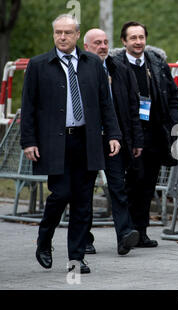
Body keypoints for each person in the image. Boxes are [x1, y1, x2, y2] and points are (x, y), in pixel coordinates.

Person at [21, 14, 122, 274]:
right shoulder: (39, 65)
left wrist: (113, 134)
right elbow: (28, 107)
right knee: (62, 193)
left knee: (82, 200)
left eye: (67, 32)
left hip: (86, 140)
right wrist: (28, 141)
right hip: (55, 142)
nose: (62, 37)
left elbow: (105, 103)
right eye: (58, 32)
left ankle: (76, 258)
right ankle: (44, 239)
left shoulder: (92, 64)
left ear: (78, 35)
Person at [114, 21, 178, 247]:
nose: (138, 42)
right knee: (132, 182)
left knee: (148, 184)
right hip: (129, 135)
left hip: (154, 134)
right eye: (133, 38)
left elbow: (173, 96)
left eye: (141, 37)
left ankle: (140, 232)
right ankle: (127, 231)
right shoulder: (116, 65)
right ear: (124, 41)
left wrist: (173, 122)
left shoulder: (157, 64)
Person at [83, 28, 143, 255]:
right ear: (86, 46)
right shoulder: (79, 69)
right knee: (85, 190)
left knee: (118, 187)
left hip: (113, 138)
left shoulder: (120, 69)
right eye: (97, 42)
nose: (103, 46)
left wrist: (136, 140)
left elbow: (132, 107)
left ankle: (125, 236)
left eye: (106, 42)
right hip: (87, 139)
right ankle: (84, 238)